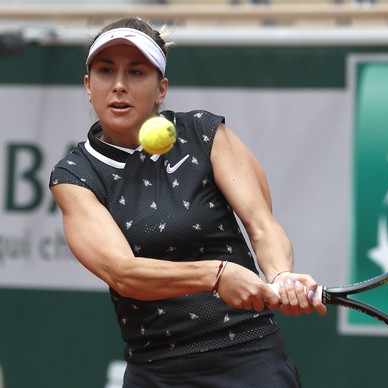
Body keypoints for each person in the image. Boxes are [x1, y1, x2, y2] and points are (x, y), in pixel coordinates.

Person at [49, 17, 326, 387]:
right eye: (105, 70)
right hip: (156, 370)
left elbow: (262, 225)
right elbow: (123, 272)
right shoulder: (76, 174)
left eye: (136, 72)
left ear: (161, 88)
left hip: (250, 359)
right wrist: (217, 275)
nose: (118, 85)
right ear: (88, 84)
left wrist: (281, 275)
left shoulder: (204, 133)